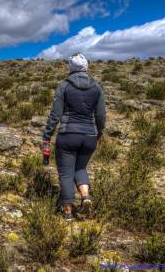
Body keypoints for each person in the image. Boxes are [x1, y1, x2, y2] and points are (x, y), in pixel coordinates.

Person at [42, 53, 106, 221]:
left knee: (65, 173)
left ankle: (68, 212)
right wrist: (99, 133)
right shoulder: (97, 87)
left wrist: (47, 135)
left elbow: (55, 115)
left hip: (68, 135)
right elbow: (101, 116)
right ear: (86, 66)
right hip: (89, 136)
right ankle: (85, 197)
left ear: (70, 67)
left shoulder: (63, 86)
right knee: (80, 168)